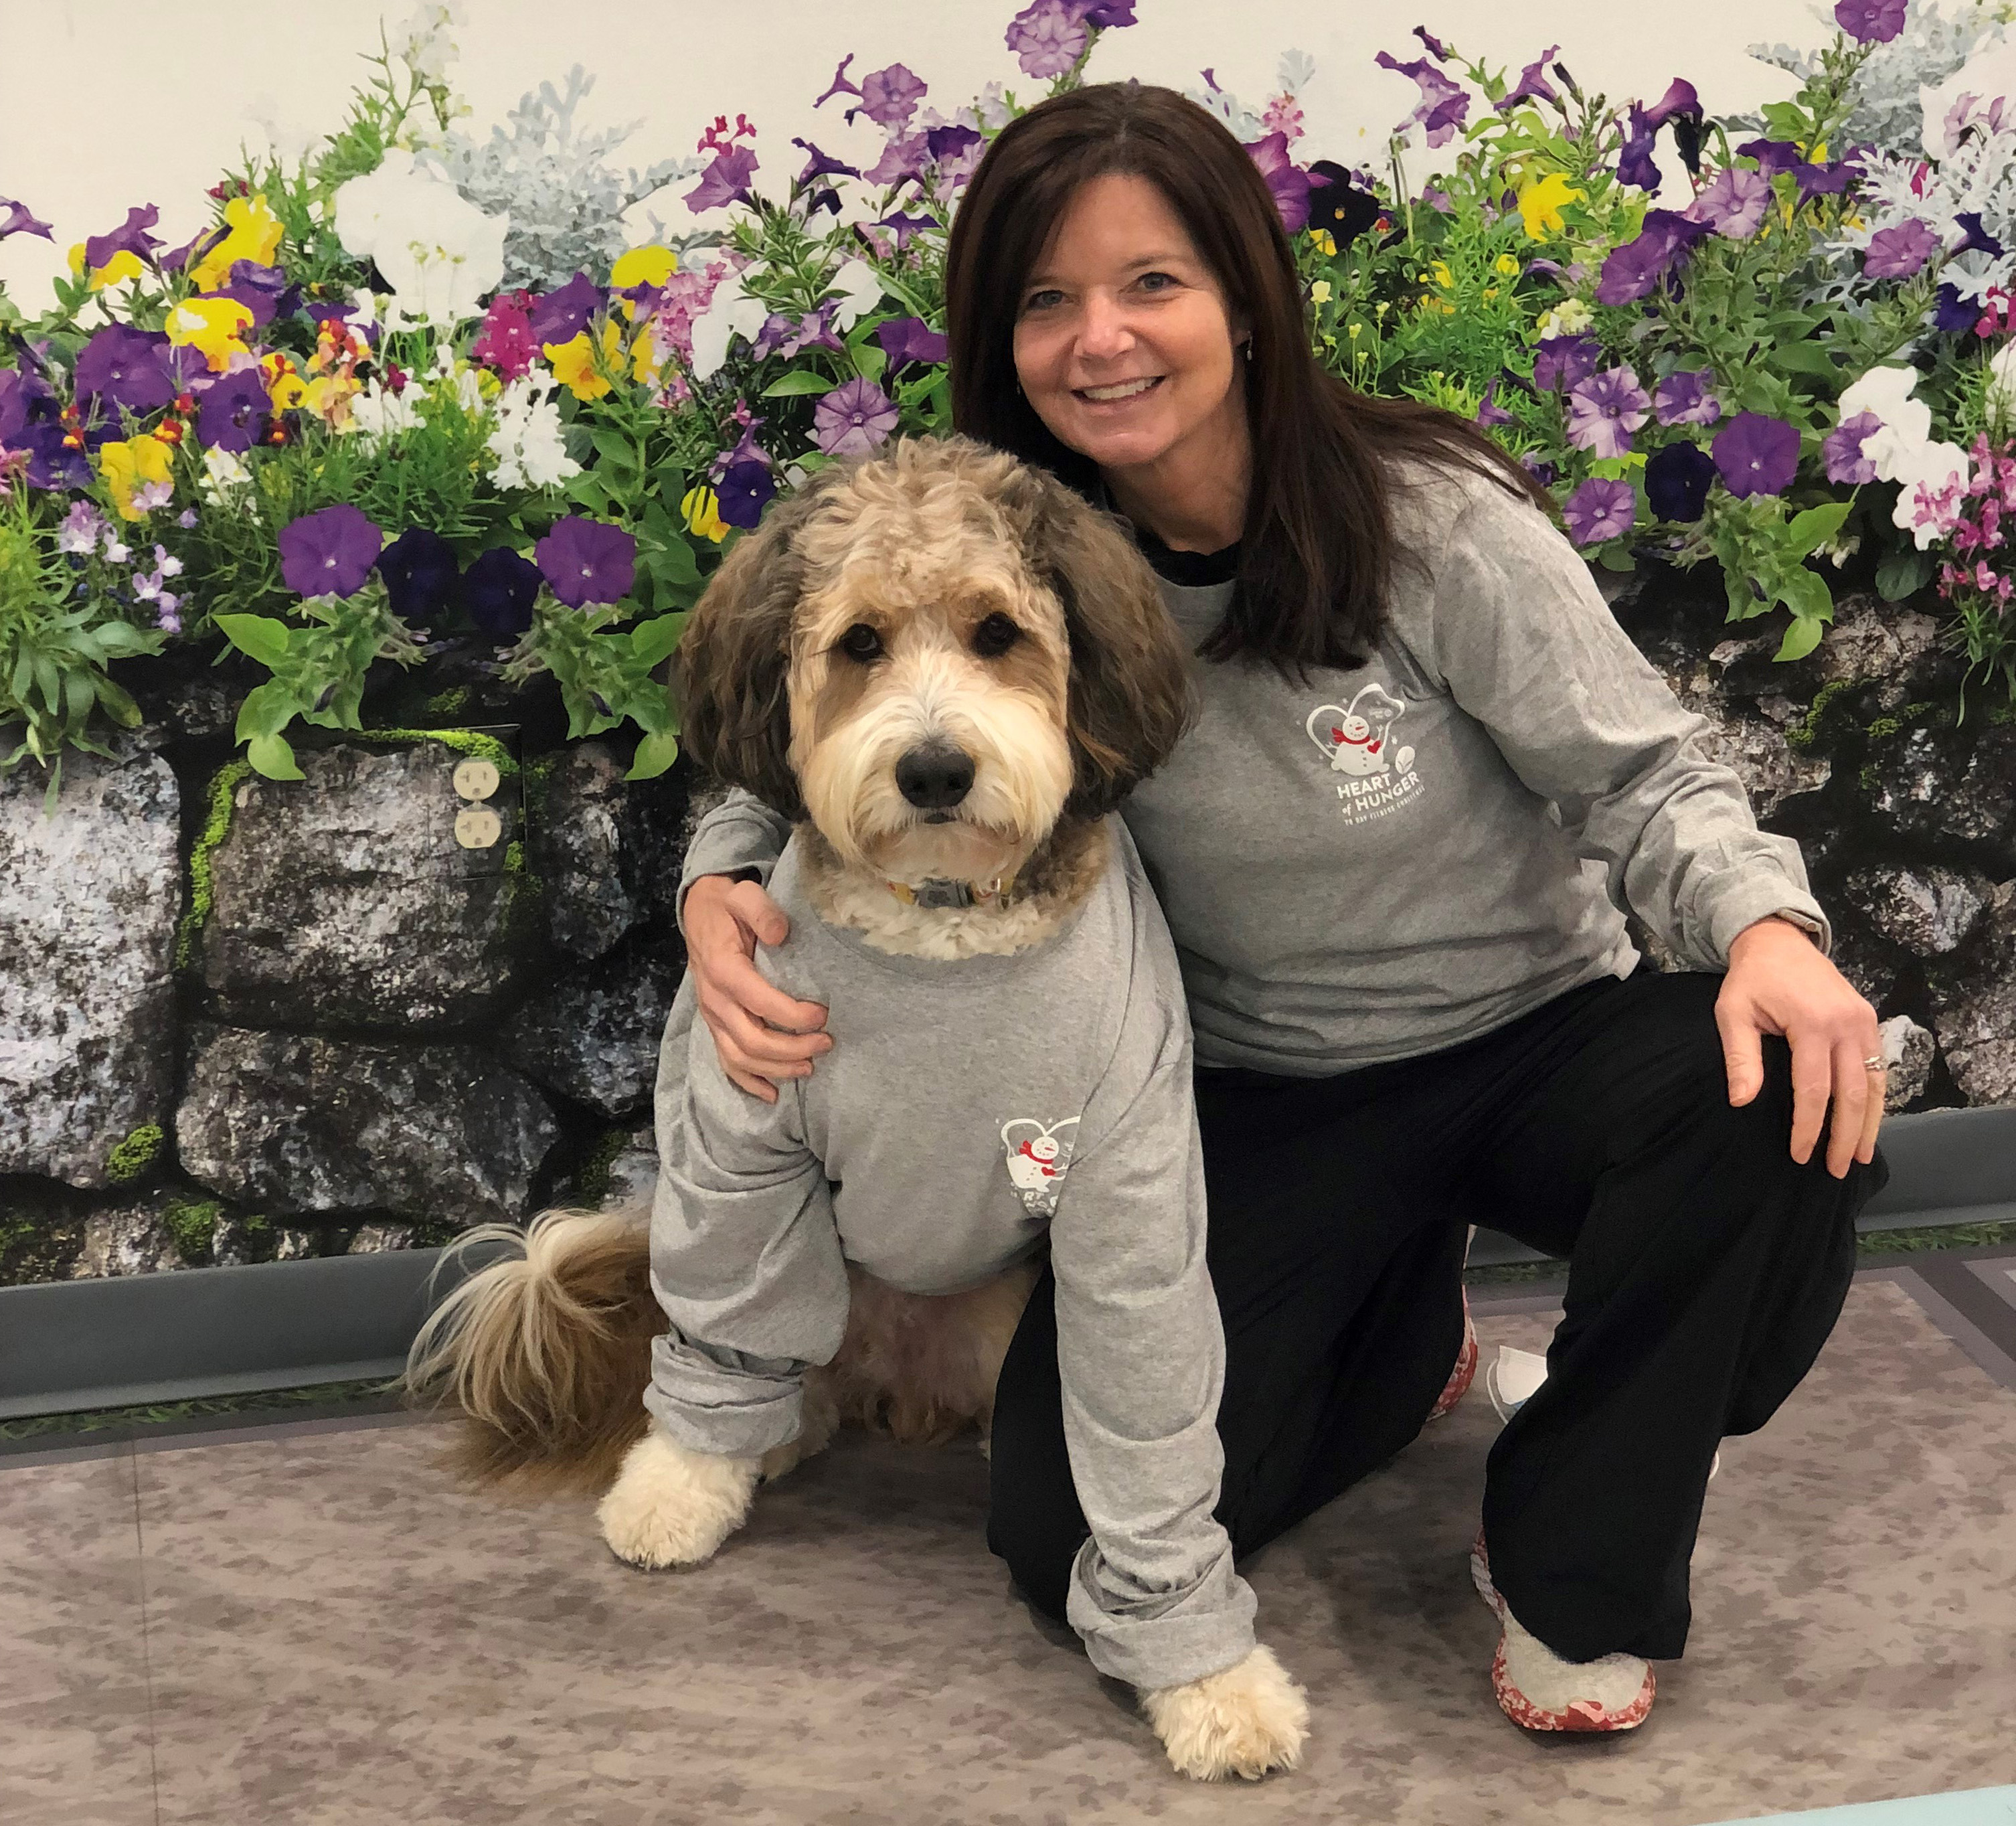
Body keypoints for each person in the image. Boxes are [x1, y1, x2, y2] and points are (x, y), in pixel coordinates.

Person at [673, 81, 1889, 1731]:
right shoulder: (1024, 550)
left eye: (1151, 282)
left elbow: (1647, 775)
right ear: (1001, 338)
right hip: (1250, 1090)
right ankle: (1405, 1335)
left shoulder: (1436, 526)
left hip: (1531, 1033)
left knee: (1775, 1094)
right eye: (1047, 300)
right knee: (1062, 1539)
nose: (1102, 337)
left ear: (1245, 298)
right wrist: (717, 886)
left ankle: (1573, 1563)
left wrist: (1766, 930)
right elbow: (824, 710)